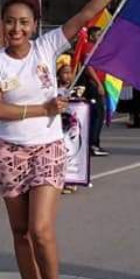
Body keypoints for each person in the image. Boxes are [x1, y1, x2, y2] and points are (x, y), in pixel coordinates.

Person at [0, 0, 140, 279]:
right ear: (3, 24)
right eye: (10, 22)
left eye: (24, 22)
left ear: (35, 25)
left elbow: (87, 14)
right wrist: (43, 108)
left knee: (40, 230)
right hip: (9, 152)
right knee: (20, 235)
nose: (16, 29)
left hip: (48, 149)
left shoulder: (47, 47)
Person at [81, 26, 109, 156]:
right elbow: (88, 67)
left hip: (98, 83)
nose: (101, 37)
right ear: (92, 36)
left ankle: (94, 144)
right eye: (98, 35)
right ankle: (93, 145)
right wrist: (98, 83)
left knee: (99, 114)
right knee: (97, 115)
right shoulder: (89, 47)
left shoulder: (97, 48)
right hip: (93, 85)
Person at [56, 55, 78, 195]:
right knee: (59, 155)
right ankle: (60, 182)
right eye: (65, 72)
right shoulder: (53, 90)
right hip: (57, 128)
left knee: (71, 153)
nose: (68, 75)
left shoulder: (75, 89)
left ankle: (71, 181)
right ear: (58, 74)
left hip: (70, 129)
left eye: (70, 72)